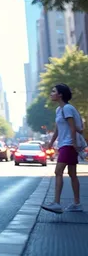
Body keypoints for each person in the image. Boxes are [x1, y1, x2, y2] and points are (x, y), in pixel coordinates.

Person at [42, 83, 82, 213]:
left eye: (53, 91)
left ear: (60, 95)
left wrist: (74, 143)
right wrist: (51, 142)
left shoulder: (68, 108)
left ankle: (57, 203)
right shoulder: (59, 110)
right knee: (72, 174)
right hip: (64, 144)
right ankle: (77, 203)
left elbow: (72, 127)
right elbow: (58, 128)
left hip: (69, 144)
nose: (51, 93)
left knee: (58, 171)